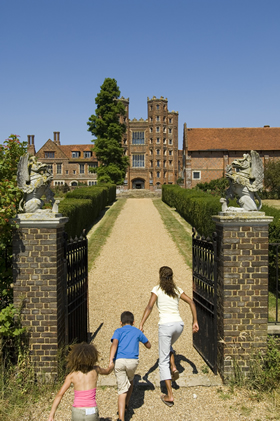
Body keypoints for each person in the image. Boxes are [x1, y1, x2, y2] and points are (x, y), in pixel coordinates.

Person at [139, 266, 199, 407]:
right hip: (179, 325)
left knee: (162, 360)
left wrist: (142, 323)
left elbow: (149, 306)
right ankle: (174, 367)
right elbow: (191, 301)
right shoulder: (177, 289)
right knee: (168, 347)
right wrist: (195, 321)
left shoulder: (157, 289)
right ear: (171, 276)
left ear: (160, 276)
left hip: (166, 326)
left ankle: (170, 395)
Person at [48, 342, 114, 421]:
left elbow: (60, 394)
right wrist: (111, 366)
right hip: (91, 410)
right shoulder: (96, 370)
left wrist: (51, 415)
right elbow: (107, 371)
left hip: (77, 411)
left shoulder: (72, 375)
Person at [109, 311, 151, 421]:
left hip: (120, 361)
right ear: (133, 322)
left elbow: (114, 344)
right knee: (131, 380)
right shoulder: (137, 331)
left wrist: (110, 360)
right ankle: (127, 404)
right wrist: (141, 334)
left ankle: (121, 418)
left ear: (120, 322)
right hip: (132, 361)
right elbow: (148, 345)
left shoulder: (118, 331)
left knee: (122, 389)